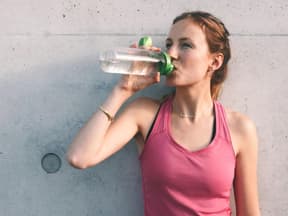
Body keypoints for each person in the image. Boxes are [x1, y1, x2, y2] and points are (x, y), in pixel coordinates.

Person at [66, 11, 260, 216]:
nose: (171, 54)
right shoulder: (144, 114)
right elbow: (79, 157)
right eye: (169, 45)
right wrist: (123, 90)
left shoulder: (239, 128)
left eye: (186, 45)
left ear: (215, 62)